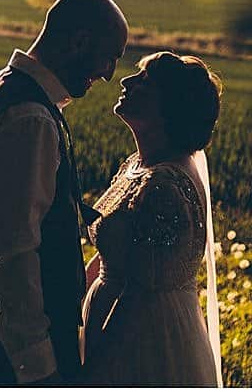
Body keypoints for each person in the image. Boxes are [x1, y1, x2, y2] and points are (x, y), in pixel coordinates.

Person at [0, 0, 129, 387]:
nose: (108, 74)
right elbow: (14, 249)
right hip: (28, 346)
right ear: (79, 41)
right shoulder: (29, 117)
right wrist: (37, 365)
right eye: (110, 56)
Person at [82, 51, 225, 388]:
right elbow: (115, 254)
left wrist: (97, 367)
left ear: (169, 105)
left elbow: (140, 293)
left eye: (144, 80)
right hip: (110, 322)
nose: (126, 81)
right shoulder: (138, 165)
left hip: (140, 340)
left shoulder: (164, 187)